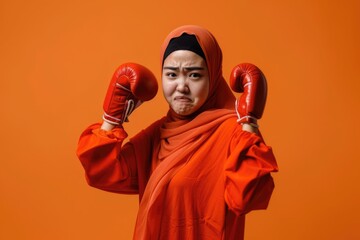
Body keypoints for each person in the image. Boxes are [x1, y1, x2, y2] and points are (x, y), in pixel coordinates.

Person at [76, 25, 278, 240]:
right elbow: (103, 174)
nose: (182, 86)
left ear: (213, 77)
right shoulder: (158, 135)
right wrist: (112, 117)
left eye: (194, 75)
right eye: (172, 74)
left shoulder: (232, 133)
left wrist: (249, 123)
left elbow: (247, 196)